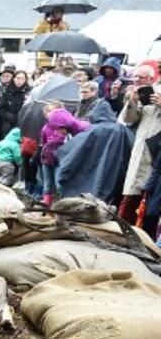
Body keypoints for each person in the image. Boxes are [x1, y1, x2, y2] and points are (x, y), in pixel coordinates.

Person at [56, 102, 134, 202]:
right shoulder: (122, 129)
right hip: (116, 172)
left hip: (91, 174)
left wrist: (61, 154)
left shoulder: (93, 130)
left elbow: (74, 150)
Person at [118, 64, 161, 225]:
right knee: (130, 197)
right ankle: (123, 232)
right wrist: (133, 102)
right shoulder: (144, 93)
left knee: (150, 201)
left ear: (151, 78)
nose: (136, 80)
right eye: (135, 76)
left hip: (157, 154)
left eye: (140, 77)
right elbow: (128, 120)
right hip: (139, 151)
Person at [39, 105, 89, 205]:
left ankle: (65, 203)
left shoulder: (74, 131)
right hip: (48, 158)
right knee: (48, 184)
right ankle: (47, 204)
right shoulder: (47, 128)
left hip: (60, 160)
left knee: (60, 183)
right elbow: (43, 142)